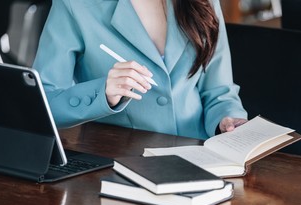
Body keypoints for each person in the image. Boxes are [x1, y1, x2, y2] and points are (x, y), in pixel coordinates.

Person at [33, 0, 247, 140]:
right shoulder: (75, 5)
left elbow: (219, 92)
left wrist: (226, 120)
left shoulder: (205, 2)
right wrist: (103, 93)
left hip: (199, 160)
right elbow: (42, 102)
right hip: (118, 167)